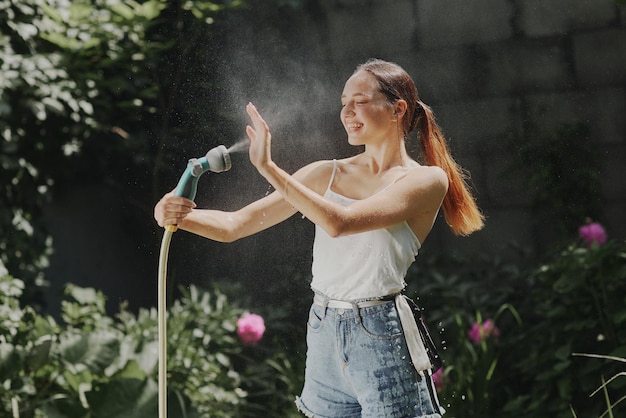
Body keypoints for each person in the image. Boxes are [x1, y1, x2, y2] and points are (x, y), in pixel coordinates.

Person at [154, 58, 484, 417]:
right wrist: (176, 216)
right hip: (323, 329)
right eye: (344, 102)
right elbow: (235, 225)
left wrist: (269, 168)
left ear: (397, 109)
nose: (348, 111)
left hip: (382, 335)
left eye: (360, 100)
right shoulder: (324, 173)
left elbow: (341, 222)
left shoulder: (426, 181)